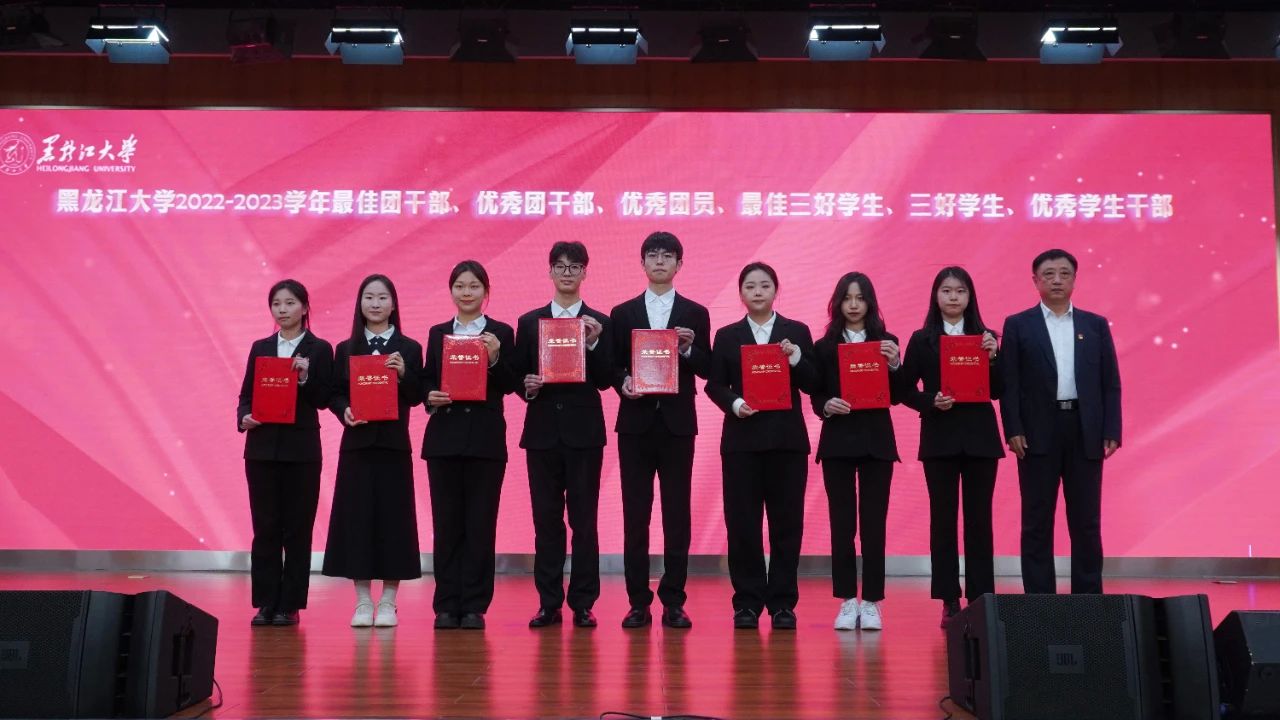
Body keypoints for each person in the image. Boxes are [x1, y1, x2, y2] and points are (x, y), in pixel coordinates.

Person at [1000, 249, 1121, 595]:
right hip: (1037, 432)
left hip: (1085, 429)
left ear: (1074, 280)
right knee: (1037, 520)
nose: (1057, 280)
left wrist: (1111, 429)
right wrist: (1013, 428)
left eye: (1064, 273)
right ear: (1035, 280)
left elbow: (1110, 382)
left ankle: (1088, 599)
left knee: (1086, 521)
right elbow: (1010, 384)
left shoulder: (1094, 325)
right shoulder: (1018, 324)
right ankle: (1040, 601)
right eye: (1049, 274)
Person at [705, 262, 817, 631]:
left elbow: (814, 382)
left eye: (764, 285)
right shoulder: (727, 335)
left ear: (775, 290)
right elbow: (714, 385)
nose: (757, 291)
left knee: (787, 525)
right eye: (750, 286)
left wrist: (796, 357)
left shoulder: (795, 332)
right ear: (741, 293)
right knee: (743, 526)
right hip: (742, 443)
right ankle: (747, 603)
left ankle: (783, 603)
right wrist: (735, 404)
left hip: (787, 443)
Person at [609, 231, 711, 630]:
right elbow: (613, 365)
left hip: (677, 426)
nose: (659, 262)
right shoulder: (623, 313)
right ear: (642, 263)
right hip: (635, 426)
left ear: (679, 264)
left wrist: (687, 348)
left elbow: (708, 367)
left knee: (676, 514)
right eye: (652, 255)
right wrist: (623, 382)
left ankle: (674, 601)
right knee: (635, 515)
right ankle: (637, 601)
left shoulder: (695, 312)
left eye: (667, 256)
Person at [514, 241, 613, 629]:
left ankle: (584, 602)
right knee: (546, 521)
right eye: (560, 266)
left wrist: (594, 342)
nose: (567, 272)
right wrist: (528, 386)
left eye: (575, 267)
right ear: (550, 272)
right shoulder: (529, 322)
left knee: (584, 522)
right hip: (541, 435)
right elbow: (517, 378)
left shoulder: (600, 322)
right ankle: (548, 602)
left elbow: (606, 379)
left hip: (584, 434)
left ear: (585, 272)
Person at [900, 266, 1002, 627]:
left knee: (979, 520)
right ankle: (948, 598)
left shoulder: (986, 338)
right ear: (936, 296)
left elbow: (999, 389)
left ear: (970, 296)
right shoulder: (921, 339)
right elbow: (903, 390)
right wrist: (930, 401)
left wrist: (994, 357)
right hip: (939, 439)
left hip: (981, 440)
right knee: (942, 520)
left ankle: (981, 597)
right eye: (946, 291)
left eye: (960, 291)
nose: (954, 297)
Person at [422, 260, 519, 630]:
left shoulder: (501, 333)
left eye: (474, 286)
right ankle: (446, 604)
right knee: (447, 524)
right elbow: (426, 380)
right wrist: (429, 395)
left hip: (485, 440)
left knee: (480, 524)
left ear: (486, 292)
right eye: (460, 286)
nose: (466, 292)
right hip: (444, 440)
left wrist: (494, 358)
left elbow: (511, 384)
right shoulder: (437, 333)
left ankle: (475, 605)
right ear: (451, 291)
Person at [323, 274, 424, 627]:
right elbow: (334, 393)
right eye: (369, 297)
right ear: (360, 304)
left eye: (383, 297)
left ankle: (390, 602)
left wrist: (404, 373)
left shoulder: (409, 348)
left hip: (394, 446)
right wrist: (344, 411)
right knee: (358, 521)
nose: (376, 303)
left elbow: (417, 396)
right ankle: (363, 601)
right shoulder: (345, 348)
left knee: (395, 522)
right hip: (357, 446)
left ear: (393, 304)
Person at [236, 279, 333, 627]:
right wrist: (243, 417)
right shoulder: (261, 347)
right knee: (265, 528)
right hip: (261, 451)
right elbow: (246, 395)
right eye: (276, 304)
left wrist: (305, 378)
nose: (283, 310)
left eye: (290, 303)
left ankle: (289, 604)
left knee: (297, 529)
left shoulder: (319, 349)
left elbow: (324, 399)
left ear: (304, 308)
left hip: (301, 452)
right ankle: (266, 602)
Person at [810, 272, 901, 632]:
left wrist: (894, 365)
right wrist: (825, 405)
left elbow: (898, 394)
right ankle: (847, 599)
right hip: (838, 442)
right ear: (837, 303)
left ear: (870, 303)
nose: (853, 304)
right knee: (842, 524)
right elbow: (815, 393)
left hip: (877, 443)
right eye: (847, 298)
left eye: (860, 298)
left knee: (874, 524)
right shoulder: (824, 346)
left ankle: (872, 601)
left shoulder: (887, 343)